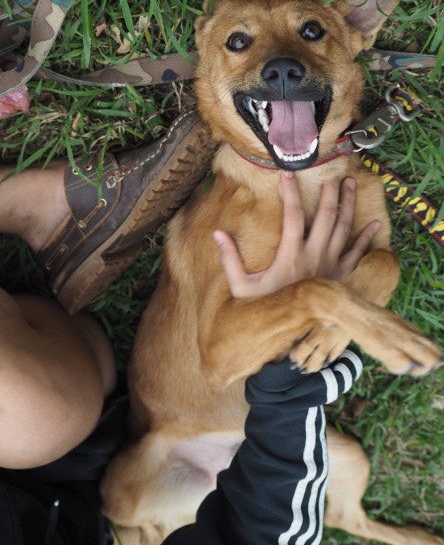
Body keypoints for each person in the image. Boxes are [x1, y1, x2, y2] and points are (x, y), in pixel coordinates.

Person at [0, 115, 379, 545]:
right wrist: (293, 336)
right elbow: (256, 532)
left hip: (55, 474)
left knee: (32, 412)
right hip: (127, 474)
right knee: (37, 411)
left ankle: (29, 206)